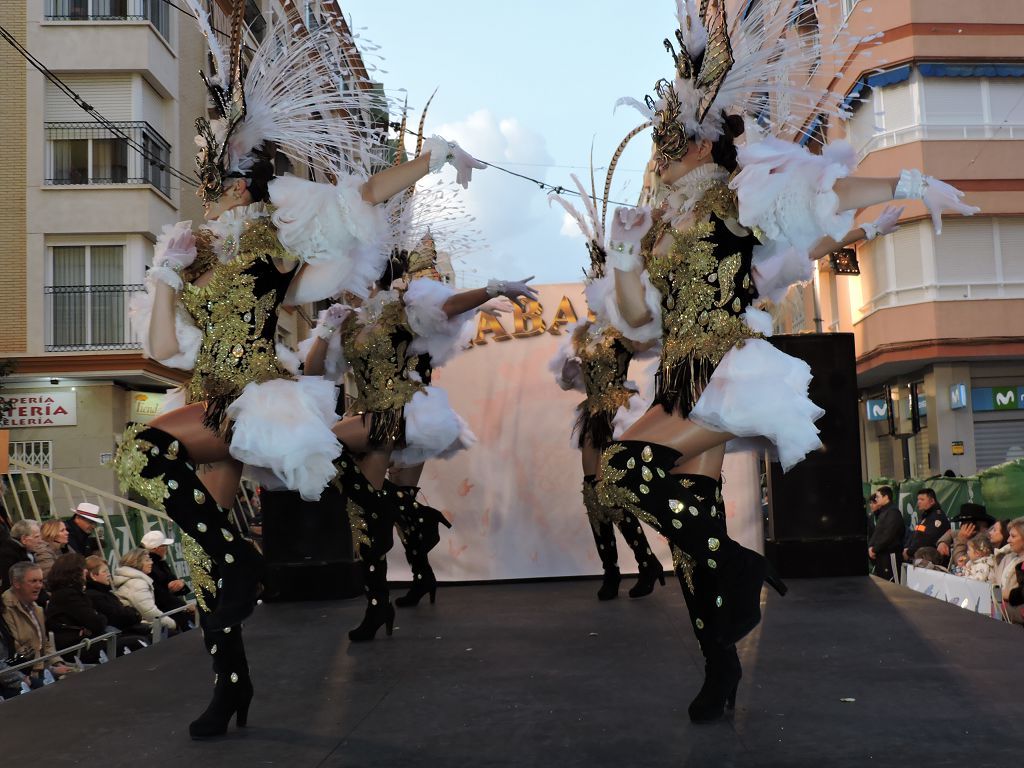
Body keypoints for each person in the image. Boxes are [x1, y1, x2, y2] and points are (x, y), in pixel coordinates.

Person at [595, 1, 977, 724]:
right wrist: (621, 256)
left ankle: (742, 563)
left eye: (673, 141)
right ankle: (721, 667)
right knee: (692, 547)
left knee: (623, 472)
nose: (662, 153)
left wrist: (904, 186)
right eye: (660, 144)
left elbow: (816, 196)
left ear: (707, 146)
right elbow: (641, 322)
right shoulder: (663, 229)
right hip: (679, 374)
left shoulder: (736, 206)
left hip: (727, 373)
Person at [111, 3, 485, 738]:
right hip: (210, 395)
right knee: (207, 557)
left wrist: (428, 158)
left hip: (254, 397)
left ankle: (252, 565)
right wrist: (163, 271)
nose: (210, 189)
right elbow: (158, 348)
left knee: (141, 452)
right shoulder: (198, 251)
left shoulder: (270, 241)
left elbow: (357, 200)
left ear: (243, 182)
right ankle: (233, 686)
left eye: (218, 177)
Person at [308, 237, 534, 640]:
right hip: (366, 412)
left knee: (339, 463)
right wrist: (326, 330)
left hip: (397, 414)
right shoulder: (350, 321)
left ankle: (386, 595)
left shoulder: (402, 311)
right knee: (376, 509)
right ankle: (398, 582)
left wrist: (494, 288)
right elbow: (313, 372)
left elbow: (446, 309)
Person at [550, 176, 663, 600]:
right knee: (593, 493)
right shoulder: (584, 333)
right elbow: (569, 381)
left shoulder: (619, 328)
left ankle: (647, 563)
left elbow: (647, 340)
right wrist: (569, 371)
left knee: (615, 492)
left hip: (618, 412)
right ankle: (612, 570)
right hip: (593, 413)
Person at [1, 562, 72, 686]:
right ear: (16, 583)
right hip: (24, 677)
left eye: (41, 581)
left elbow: (44, 643)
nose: (39, 586)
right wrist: (49, 670)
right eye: (33, 581)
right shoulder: (5, 610)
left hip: (43, 671)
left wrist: (57, 663)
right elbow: (17, 649)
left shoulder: (37, 609)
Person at [44, 552, 109, 662]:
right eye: (83, 568)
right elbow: (96, 623)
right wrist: (100, 617)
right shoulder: (68, 595)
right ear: (74, 572)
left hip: (82, 643)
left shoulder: (66, 593)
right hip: (76, 648)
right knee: (133, 642)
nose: (86, 571)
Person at [84, 556, 149, 654]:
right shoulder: (95, 596)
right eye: (104, 571)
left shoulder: (104, 592)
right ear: (93, 575)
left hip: (125, 631)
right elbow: (119, 617)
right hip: (116, 635)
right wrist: (135, 613)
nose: (109, 574)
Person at [112, 548, 178, 635]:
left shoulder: (134, 580)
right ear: (136, 563)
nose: (151, 562)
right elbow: (149, 612)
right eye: (147, 560)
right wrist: (172, 624)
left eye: (150, 559)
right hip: (140, 628)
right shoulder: (138, 584)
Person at [141, 530, 193, 633]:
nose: (167, 549)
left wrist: (180, 584)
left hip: (170, 606)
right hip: (161, 611)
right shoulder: (150, 567)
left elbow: (173, 583)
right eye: (165, 546)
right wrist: (185, 606)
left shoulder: (161, 562)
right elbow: (159, 596)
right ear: (156, 548)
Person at [867, 486, 904, 582]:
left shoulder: (893, 512)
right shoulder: (883, 512)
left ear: (886, 497)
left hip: (890, 555)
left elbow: (889, 535)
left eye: (878, 497)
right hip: (881, 555)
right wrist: (871, 546)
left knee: (893, 583)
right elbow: (877, 532)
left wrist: (875, 549)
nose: (876, 499)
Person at [904, 489, 951, 563]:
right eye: (918, 499)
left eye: (922, 499)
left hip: (931, 561)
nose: (919, 502)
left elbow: (926, 539)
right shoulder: (926, 516)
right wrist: (907, 549)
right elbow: (916, 535)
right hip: (919, 557)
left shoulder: (937, 517)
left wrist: (909, 552)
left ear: (932, 501)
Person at [995, 517, 1024, 624]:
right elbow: (994, 583)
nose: (1008, 540)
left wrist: (1001, 597)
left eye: (1013, 536)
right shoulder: (1007, 558)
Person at [0, 519, 40, 592]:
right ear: (24, 539)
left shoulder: (26, 551)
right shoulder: (10, 555)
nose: (40, 541)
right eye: (36, 537)